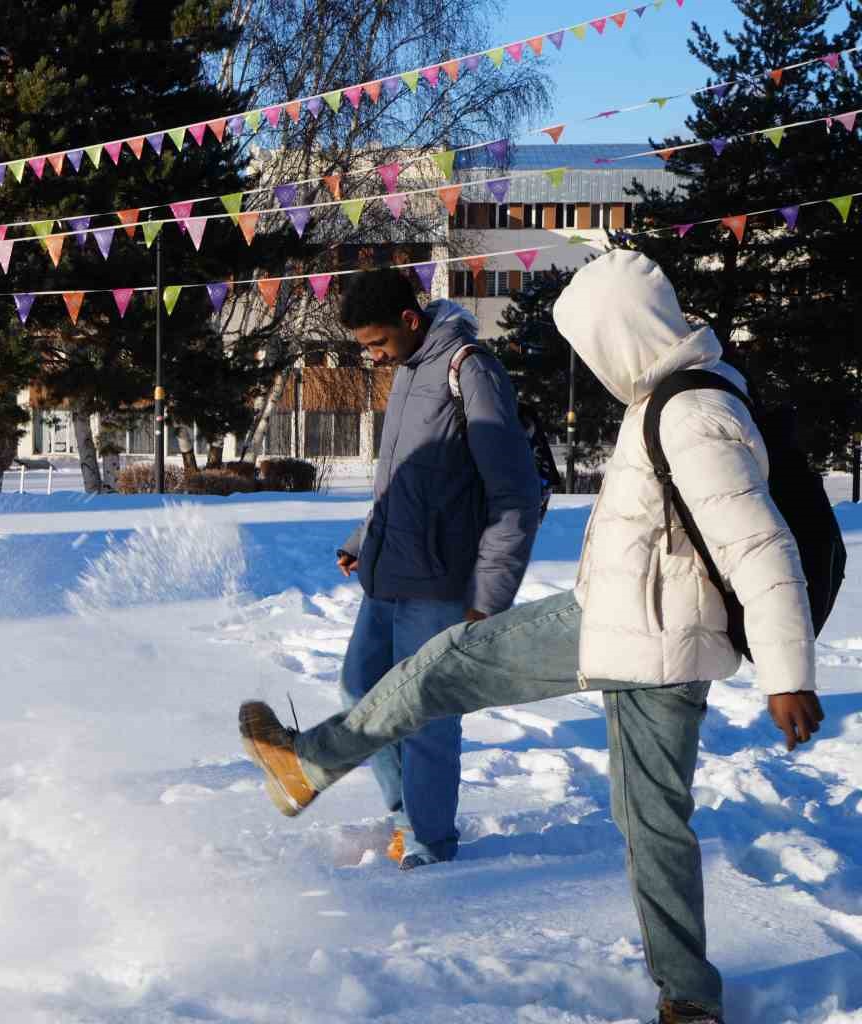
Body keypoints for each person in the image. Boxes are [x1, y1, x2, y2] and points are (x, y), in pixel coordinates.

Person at [239, 251, 823, 1024]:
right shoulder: (677, 397)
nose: (592, 362)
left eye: (591, 344)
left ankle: (310, 764)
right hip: (625, 624)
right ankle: (689, 998)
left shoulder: (690, 414)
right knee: (637, 815)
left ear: (621, 332)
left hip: (646, 638)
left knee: (459, 679)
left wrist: (789, 672)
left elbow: (761, 548)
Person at [330, 269, 542, 868]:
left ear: (410, 321)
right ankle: (403, 814)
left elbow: (514, 494)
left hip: (443, 583)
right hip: (387, 570)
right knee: (361, 690)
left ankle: (430, 842)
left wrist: (490, 595)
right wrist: (362, 537)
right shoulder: (408, 370)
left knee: (425, 716)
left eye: (377, 343)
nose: (371, 356)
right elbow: (402, 478)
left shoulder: (469, 369)